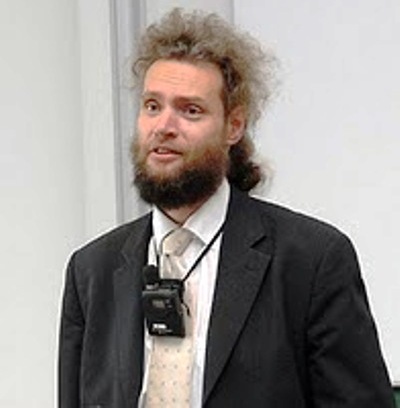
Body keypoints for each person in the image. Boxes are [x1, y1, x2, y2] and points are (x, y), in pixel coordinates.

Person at [58, 8, 395, 408]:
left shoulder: (311, 261)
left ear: (233, 126)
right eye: (152, 106)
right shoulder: (91, 271)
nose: (163, 126)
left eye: (190, 110)